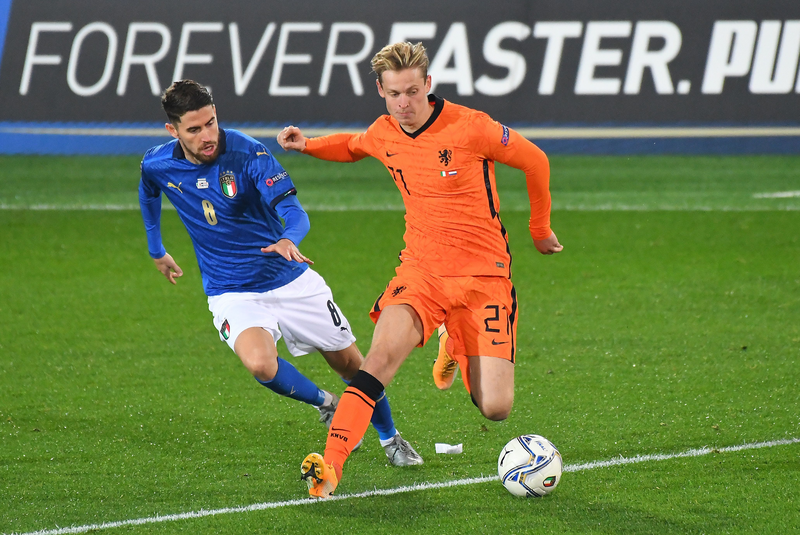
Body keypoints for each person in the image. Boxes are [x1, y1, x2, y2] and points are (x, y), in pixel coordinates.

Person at [277, 42, 563, 498]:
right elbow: (352, 147)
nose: (405, 103)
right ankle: (330, 467)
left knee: (496, 408)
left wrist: (539, 228)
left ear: (428, 84)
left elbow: (535, 160)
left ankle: (456, 341)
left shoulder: (472, 127)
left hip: (483, 278)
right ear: (381, 91)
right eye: (395, 94)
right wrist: (307, 145)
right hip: (421, 274)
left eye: (412, 91)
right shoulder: (384, 132)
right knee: (377, 363)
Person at [138, 79, 423, 467]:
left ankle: (390, 438)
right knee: (259, 363)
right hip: (231, 290)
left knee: (353, 365)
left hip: (289, 279)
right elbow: (149, 190)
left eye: (211, 122)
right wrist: (157, 249)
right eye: (195, 129)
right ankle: (327, 405)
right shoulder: (157, 162)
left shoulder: (248, 153)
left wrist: (289, 238)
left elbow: (294, 211)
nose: (208, 135)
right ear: (173, 130)